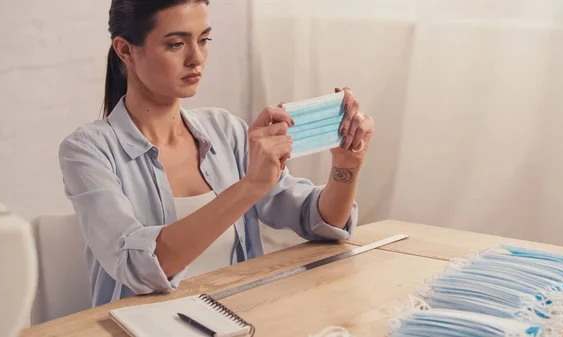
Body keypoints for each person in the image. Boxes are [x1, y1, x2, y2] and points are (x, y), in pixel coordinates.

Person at [59, 0, 375, 307]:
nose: (196, 58)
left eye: (204, 39)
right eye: (175, 44)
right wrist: (250, 185)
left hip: (241, 318)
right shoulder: (88, 151)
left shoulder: (226, 131)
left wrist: (346, 167)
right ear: (125, 49)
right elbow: (139, 268)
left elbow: (317, 222)